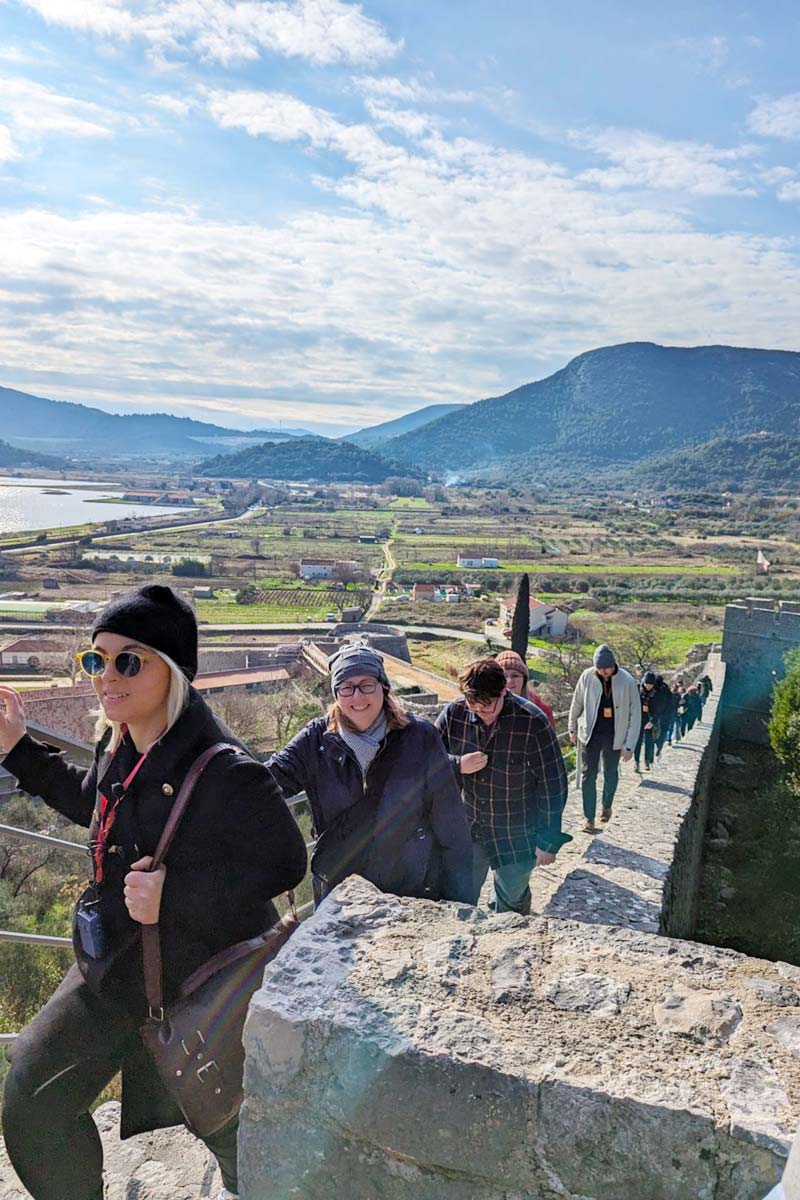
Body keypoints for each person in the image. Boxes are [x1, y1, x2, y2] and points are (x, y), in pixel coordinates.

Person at [0, 584, 307, 1200]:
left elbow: (286, 863)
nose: (105, 676)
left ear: (171, 670)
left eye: (127, 660)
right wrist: (17, 750)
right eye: (95, 659)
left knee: (227, 1125)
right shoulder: (127, 742)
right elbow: (98, 807)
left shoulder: (224, 768)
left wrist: (177, 893)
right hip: (117, 965)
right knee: (32, 1097)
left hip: (195, 982)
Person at [266, 642, 475, 906]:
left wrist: (461, 902)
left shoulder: (420, 737)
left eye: (367, 684)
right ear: (336, 694)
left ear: (383, 687)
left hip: (409, 889)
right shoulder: (315, 740)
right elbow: (266, 784)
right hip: (340, 892)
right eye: (346, 687)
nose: (357, 696)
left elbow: (451, 823)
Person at [436, 657, 569, 916]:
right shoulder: (455, 712)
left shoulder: (533, 721)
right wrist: (457, 764)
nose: (481, 713)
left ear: (504, 691)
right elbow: (427, 759)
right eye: (474, 706)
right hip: (469, 826)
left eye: (488, 706)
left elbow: (553, 784)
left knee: (511, 905)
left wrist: (548, 840)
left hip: (517, 831)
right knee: (459, 900)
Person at [568, 644, 641, 833]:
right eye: (599, 669)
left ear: (614, 665)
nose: (603, 672)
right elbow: (576, 702)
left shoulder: (627, 681)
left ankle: (607, 805)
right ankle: (589, 818)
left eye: (606, 668)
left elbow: (635, 714)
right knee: (588, 774)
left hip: (614, 735)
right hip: (590, 734)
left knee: (610, 772)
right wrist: (572, 727)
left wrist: (629, 744)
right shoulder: (587, 676)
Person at [493, 649, 556, 729]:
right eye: (504, 676)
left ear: (524, 679)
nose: (509, 681)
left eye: (515, 675)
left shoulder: (541, 710)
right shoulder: (484, 708)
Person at [634, 670, 671, 772]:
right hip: (639, 717)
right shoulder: (637, 689)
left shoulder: (659, 692)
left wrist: (653, 721)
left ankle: (648, 761)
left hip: (651, 718)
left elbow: (660, 708)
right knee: (637, 741)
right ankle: (636, 762)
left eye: (651, 684)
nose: (648, 686)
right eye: (647, 684)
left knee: (649, 741)